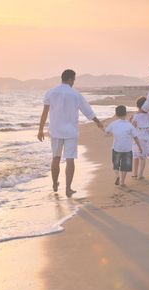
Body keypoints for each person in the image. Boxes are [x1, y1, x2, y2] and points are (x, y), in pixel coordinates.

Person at [37, 69, 104, 197]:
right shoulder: (75, 94)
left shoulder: (50, 92)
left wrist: (40, 130)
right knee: (70, 159)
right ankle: (68, 189)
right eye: (73, 79)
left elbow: (45, 112)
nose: (74, 82)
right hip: (71, 131)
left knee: (55, 158)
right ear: (69, 79)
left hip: (55, 130)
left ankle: (55, 183)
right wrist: (97, 122)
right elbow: (87, 110)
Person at [105, 105, 142, 187]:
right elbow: (135, 137)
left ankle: (117, 175)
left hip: (117, 148)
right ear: (125, 114)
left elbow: (106, 131)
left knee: (116, 164)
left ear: (116, 114)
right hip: (127, 149)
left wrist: (102, 127)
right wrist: (140, 147)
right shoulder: (129, 125)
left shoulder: (113, 124)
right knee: (125, 166)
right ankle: (122, 182)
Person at [130, 96, 149, 179]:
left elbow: (132, 127)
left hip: (137, 138)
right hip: (147, 138)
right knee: (142, 157)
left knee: (136, 156)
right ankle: (140, 175)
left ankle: (135, 173)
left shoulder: (135, 116)